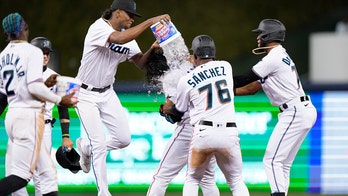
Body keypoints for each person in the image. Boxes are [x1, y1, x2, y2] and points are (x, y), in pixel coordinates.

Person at [74, 0, 170, 195]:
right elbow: (117, 39)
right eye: (130, 15)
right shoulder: (98, 27)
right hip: (84, 93)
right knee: (99, 143)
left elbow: (141, 63)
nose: (133, 19)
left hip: (107, 93)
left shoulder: (129, 39)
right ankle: (104, 192)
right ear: (117, 12)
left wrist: (152, 49)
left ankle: (85, 146)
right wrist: (151, 22)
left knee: (124, 139)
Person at [233, 19, 317, 196]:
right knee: (282, 164)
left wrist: (217, 81)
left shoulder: (273, 57)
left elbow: (243, 79)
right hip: (300, 109)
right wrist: (222, 92)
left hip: (295, 110)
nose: (257, 38)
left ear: (267, 35)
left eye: (259, 34)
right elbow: (250, 89)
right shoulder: (278, 56)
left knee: (271, 160)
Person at [162, 35, 250, 196]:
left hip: (204, 133)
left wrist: (166, 111)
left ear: (194, 55)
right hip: (229, 133)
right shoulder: (226, 66)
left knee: (193, 180)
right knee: (236, 181)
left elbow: (178, 112)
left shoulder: (186, 80)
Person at [0, 12, 77, 196]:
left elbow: (3, 94)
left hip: (13, 115)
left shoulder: (3, 55)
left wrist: (48, 85)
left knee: (47, 175)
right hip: (31, 117)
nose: (45, 55)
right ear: (24, 29)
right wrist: (60, 99)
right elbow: (34, 87)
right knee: (21, 177)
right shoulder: (31, 52)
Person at [146, 49, 219, 196]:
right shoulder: (194, 67)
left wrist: (163, 110)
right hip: (210, 127)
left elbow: (172, 110)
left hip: (189, 127)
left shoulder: (170, 77)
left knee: (161, 177)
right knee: (207, 180)